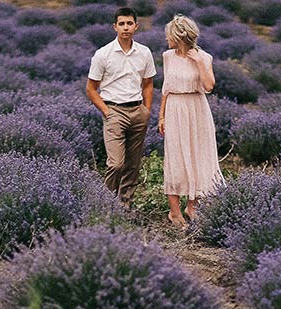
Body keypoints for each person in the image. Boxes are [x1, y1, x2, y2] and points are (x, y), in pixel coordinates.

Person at [86, 7, 156, 207]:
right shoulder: (103, 54)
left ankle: (125, 206)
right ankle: (106, 205)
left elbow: (148, 83)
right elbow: (91, 89)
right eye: (122, 24)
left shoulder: (144, 52)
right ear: (114, 27)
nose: (126, 27)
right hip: (114, 111)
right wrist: (107, 112)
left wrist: (147, 110)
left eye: (129, 23)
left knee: (133, 165)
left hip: (138, 111)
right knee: (116, 164)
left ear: (136, 26)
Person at [158, 14, 222, 228]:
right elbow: (166, 88)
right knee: (175, 157)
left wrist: (199, 62)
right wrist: (161, 115)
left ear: (179, 36)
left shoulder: (204, 57)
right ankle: (174, 212)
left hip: (197, 109)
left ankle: (192, 206)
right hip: (175, 109)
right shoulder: (168, 56)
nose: (166, 39)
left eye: (169, 35)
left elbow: (209, 86)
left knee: (197, 156)